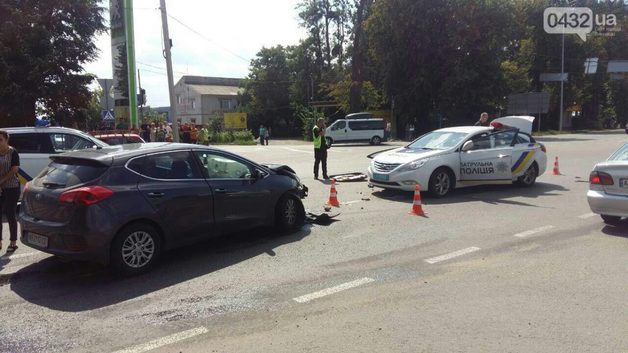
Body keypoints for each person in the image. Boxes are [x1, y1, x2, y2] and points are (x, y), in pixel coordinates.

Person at [0, 130, 20, 253]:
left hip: (12, 187)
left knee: (10, 213)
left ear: (7, 140)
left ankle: (13, 242)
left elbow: (14, 170)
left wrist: (1, 181)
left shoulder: (13, 152)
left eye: (0, 139)